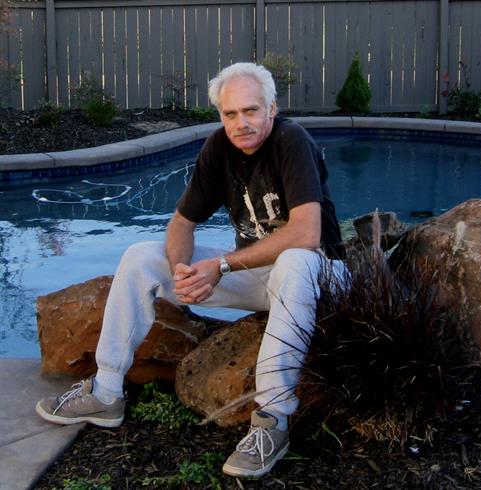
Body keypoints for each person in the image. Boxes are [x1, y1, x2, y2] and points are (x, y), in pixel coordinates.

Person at [36, 62, 349, 478]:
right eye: (230, 113)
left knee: (293, 260)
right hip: (261, 276)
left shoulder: (292, 141)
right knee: (142, 255)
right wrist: (184, 271)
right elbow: (182, 223)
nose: (241, 123)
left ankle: (272, 420)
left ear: (272, 108)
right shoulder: (219, 148)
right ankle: (107, 389)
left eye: (251, 110)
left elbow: (307, 234)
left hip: (320, 274)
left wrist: (219, 265)